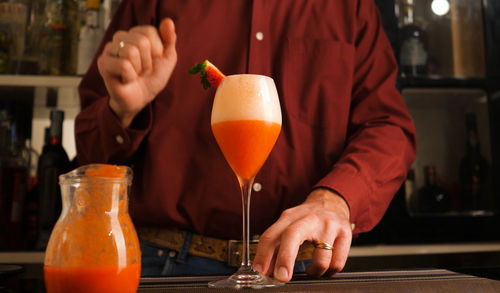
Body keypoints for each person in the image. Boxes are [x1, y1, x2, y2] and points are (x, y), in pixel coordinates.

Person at [75, 0, 416, 282]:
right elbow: (89, 157)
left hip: (299, 269)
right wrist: (121, 110)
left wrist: (335, 199)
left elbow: (388, 127)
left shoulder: (350, 6)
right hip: (165, 265)